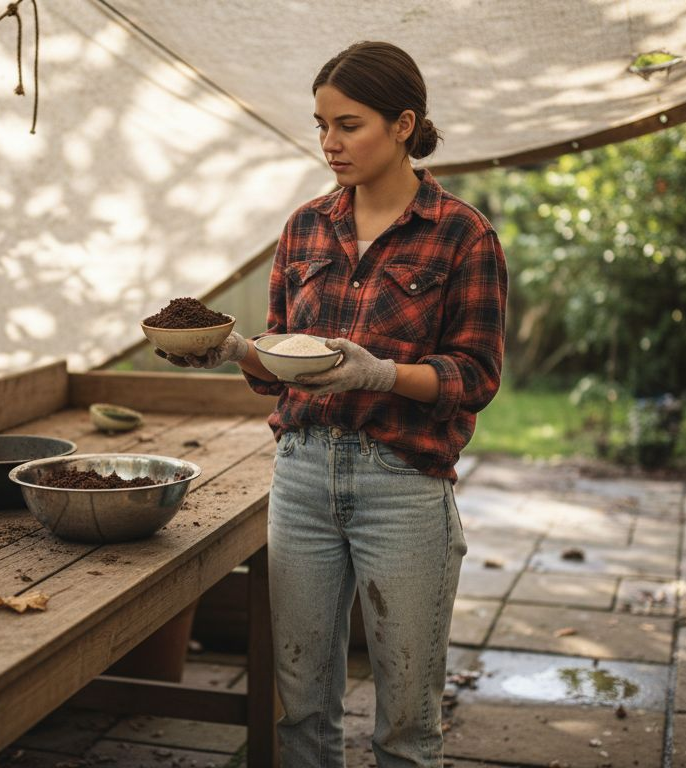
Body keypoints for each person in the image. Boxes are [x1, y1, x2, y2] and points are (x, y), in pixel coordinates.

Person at [159, 40, 506, 767]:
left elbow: (475, 375)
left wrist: (381, 375)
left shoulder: (461, 233)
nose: (329, 143)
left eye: (348, 125)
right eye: (320, 125)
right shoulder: (305, 228)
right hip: (303, 477)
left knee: (407, 726)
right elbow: (281, 361)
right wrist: (228, 349)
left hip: (403, 486)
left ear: (404, 123)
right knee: (299, 711)